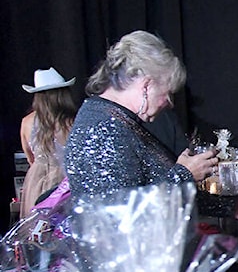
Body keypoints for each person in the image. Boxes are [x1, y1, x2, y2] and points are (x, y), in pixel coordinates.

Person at [65, 30, 218, 201]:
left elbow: (145, 188)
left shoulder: (116, 120)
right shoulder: (102, 128)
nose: (169, 103)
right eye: (167, 94)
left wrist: (225, 207)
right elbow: (118, 211)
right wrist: (184, 175)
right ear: (146, 86)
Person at [18, 68, 78, 217]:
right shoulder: (74, 122)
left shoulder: (27, 122)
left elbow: (30, 158)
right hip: (67, 182)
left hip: (37, 182)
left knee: (38, 229)